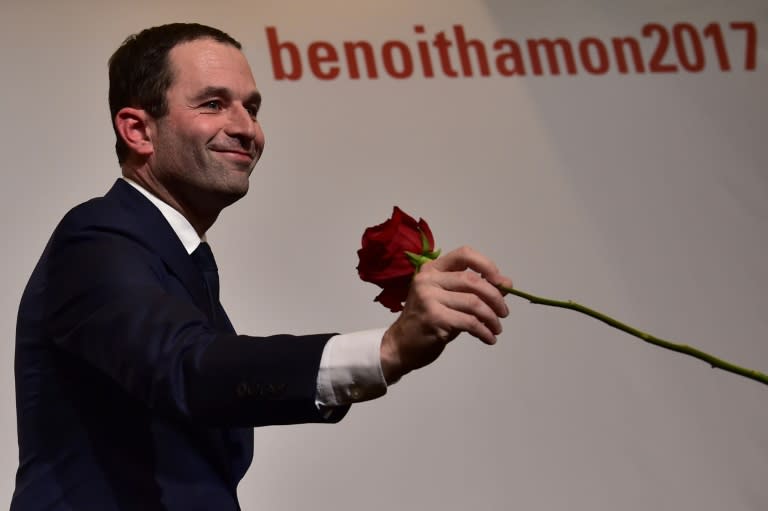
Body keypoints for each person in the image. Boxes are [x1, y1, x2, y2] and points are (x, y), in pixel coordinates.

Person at [12, 23, 512, 510]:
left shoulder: (182, 261)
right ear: (138, 130)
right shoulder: (97, 235)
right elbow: (187, 367)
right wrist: (388, 348)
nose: (246, 128)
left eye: (251, 108)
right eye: (213, 104)